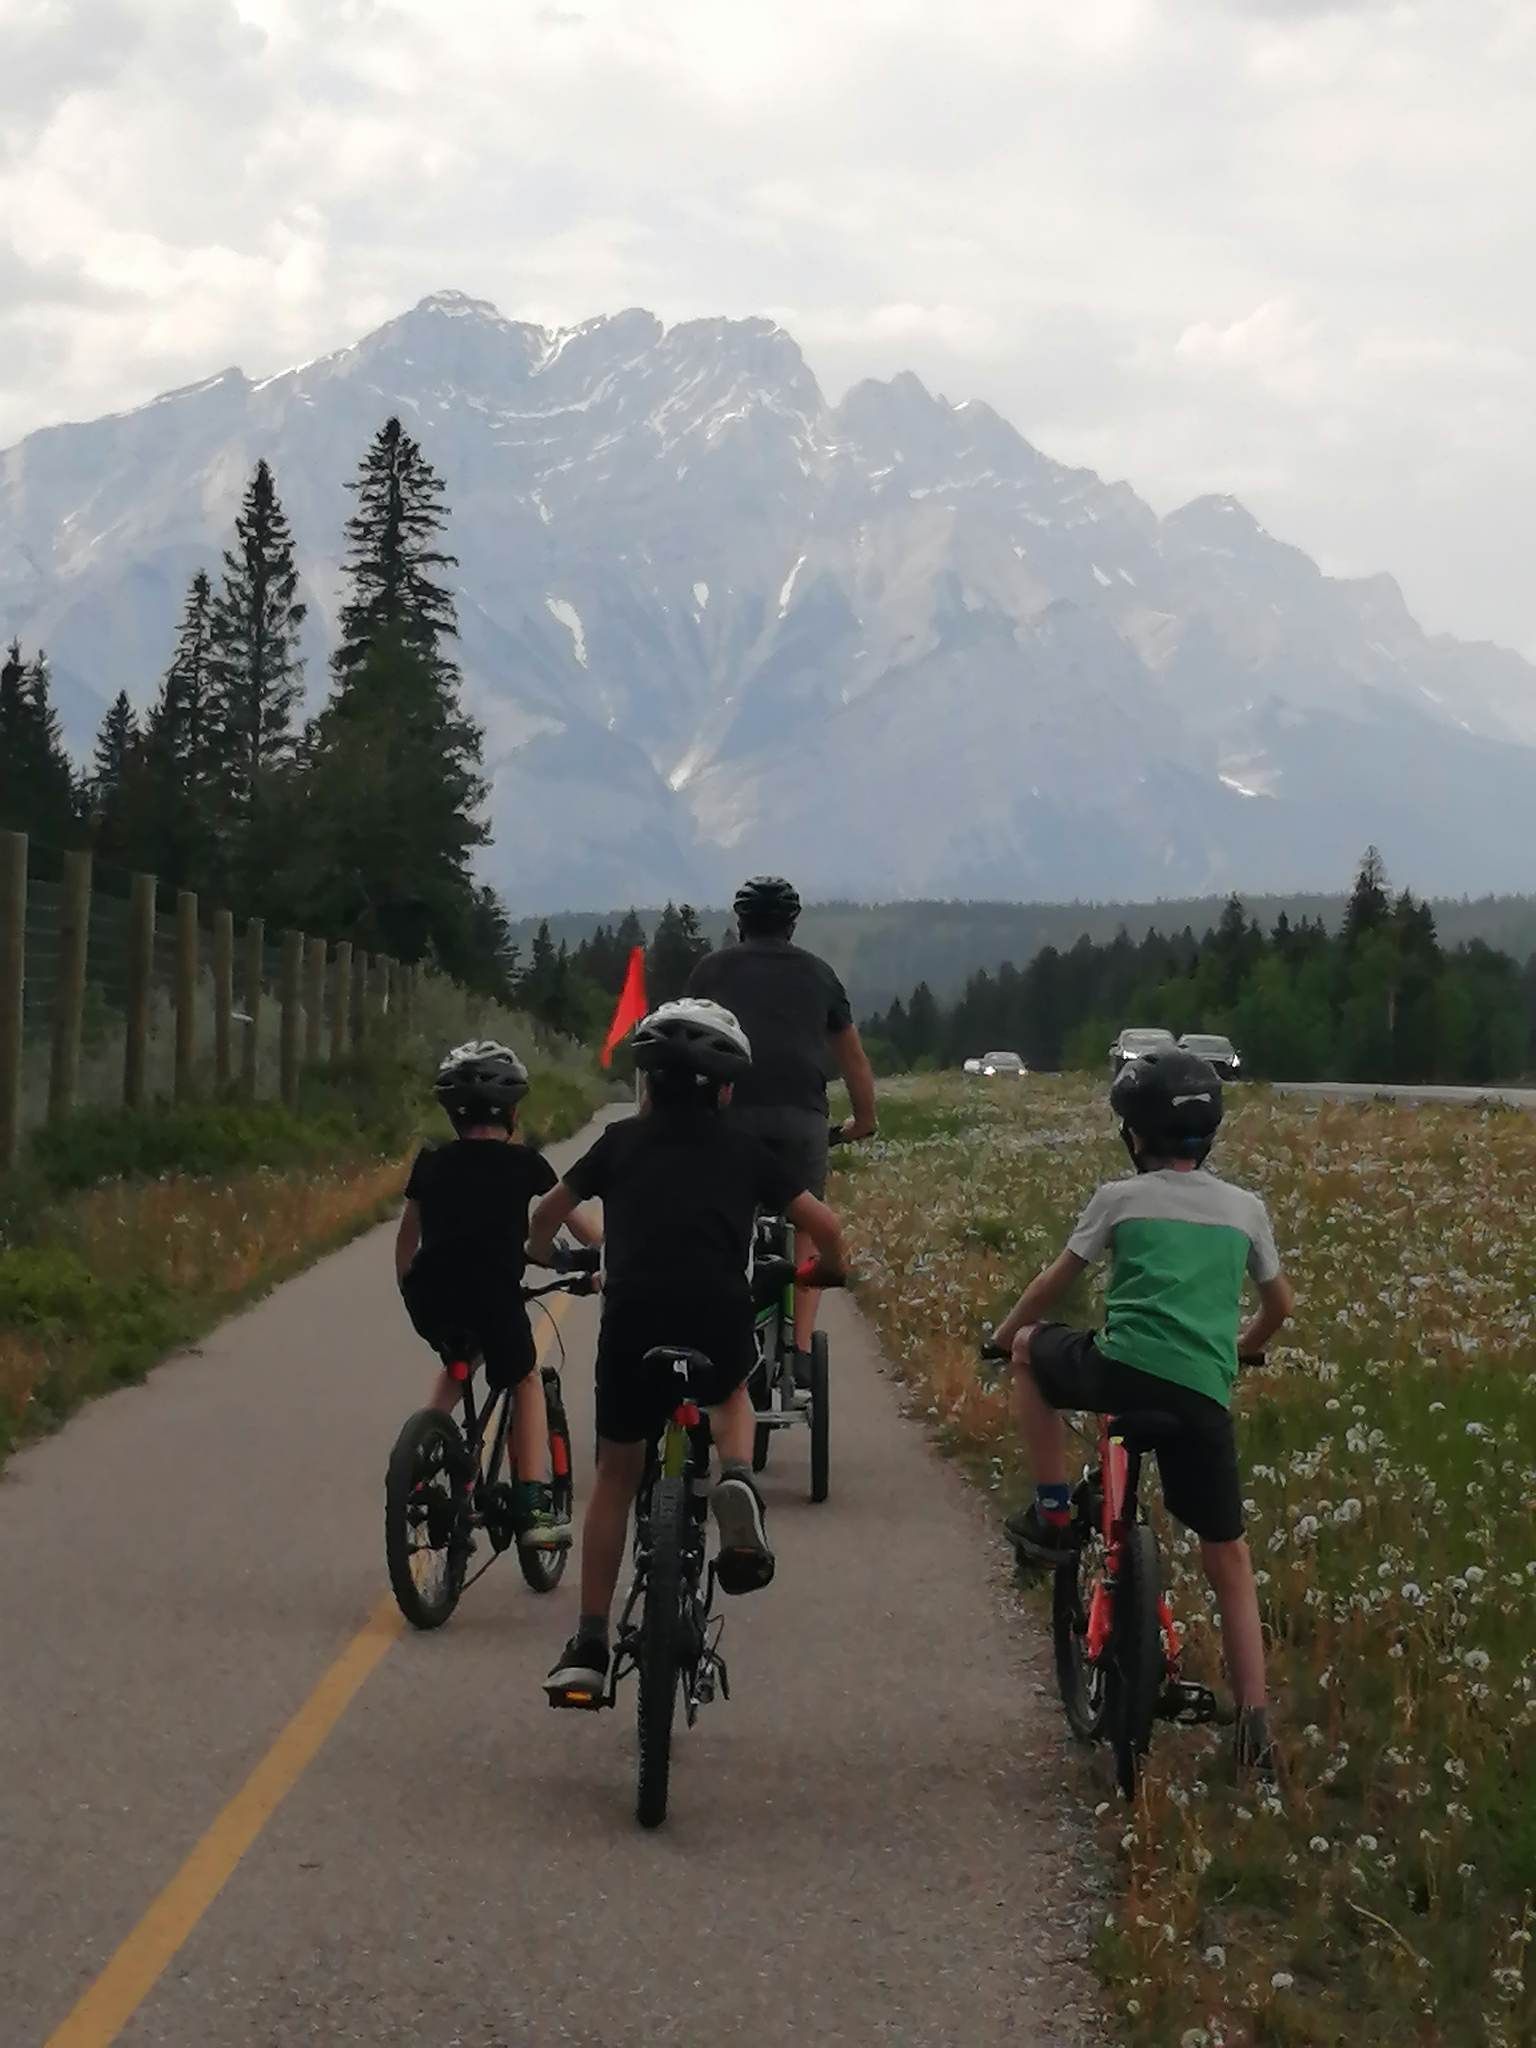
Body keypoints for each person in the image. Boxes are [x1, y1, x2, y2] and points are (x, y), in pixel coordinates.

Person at [528, 998, 848, 1700]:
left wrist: (545, 1253)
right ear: (726, 1088)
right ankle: (736, 1474)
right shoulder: (745, 1151)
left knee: (616, 1475)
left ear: (647, 1083)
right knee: (732, 1391)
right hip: (715, 1315)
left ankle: (588, 1641)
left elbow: (547, 1214)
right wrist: (828, 1269)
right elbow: (823, 1225)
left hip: (633, 1320)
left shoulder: (619, 1144)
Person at [990, 1048, 1293, 1774]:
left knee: (1035, 1351)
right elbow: (1280, 1308)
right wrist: (1242, 1347)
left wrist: (1003, 1338)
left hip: (1120, 1375)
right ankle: (1254, 1722)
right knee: (1229, 1555)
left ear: (1135, 1137)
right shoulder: (1245, 1208)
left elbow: (1054, 1283)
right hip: (1200, 1395)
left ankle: (1056, 1508)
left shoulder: (1118, 1200)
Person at [394, 1040, 597, 1553]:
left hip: (430, 1295)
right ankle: (531, 1503)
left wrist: (409, 1291)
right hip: (492, 1297)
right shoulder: (525, 1164)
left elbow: (407, 1240)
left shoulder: (431, 1163)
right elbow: (573, 1228)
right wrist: (605, 1257)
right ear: (512, 1111)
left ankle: (420, 1463)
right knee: (524, 1377)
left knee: (457, 1359)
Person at [687, 875, 876, 1366]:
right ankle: (799, 1344)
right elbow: (853, 1058)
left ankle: (720, 1329)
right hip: (801, 1118)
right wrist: (864, 1119)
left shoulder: (710, 971)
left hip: (727, 1117)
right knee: (806, 1222)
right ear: (793, 923)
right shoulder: (820, 974)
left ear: (740, 922)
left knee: (723, 1221)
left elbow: (685, 1041)